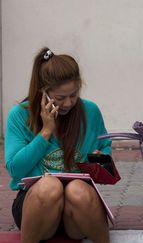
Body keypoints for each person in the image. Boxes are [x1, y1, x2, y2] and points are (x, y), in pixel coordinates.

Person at [5, 47, 111, 243]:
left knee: (76, 189)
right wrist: (45, 131)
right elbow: (16, 170)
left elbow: (106, 153)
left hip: (78, 209)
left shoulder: (91, 111)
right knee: (49, 185)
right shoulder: (19, 115)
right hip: (37, 205)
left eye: (74, 94)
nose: (69, 103)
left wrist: (100, 161)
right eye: (60, 98)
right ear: (43, 91)